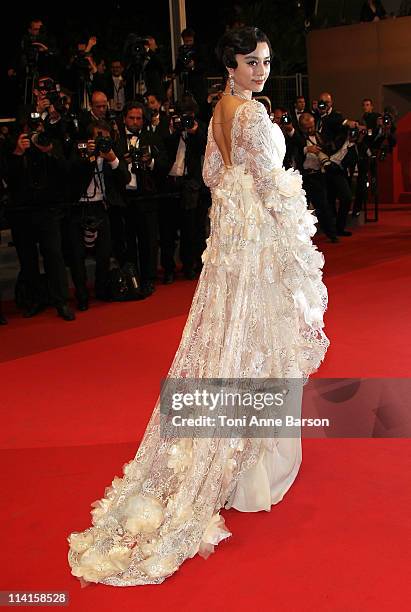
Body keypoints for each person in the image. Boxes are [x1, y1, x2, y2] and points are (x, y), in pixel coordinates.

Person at [67, 27, 329, 586]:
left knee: (224, 341)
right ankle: (251, 470)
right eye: (250, 62)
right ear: (230, 64)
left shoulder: (219, 110)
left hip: (231, 245)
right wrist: (295, 238)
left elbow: (213, 175)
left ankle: (230, 456)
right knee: (255, 340)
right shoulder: (253, 116)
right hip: (254, 244)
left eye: (265, 61)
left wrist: (237, 211)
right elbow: (269, 185)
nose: (260, 70)